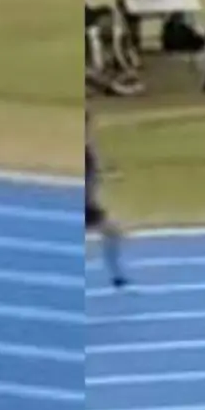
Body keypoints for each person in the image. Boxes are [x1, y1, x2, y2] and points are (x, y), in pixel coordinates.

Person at [86, 113, 128, 289]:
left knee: (113, 233)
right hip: (85, 205)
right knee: (112, 233)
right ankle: (116, 275)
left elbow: (94, 176)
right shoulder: (85, 152)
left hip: (89, 205)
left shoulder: (88, 150)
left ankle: (117, 275)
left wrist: (107, 174)